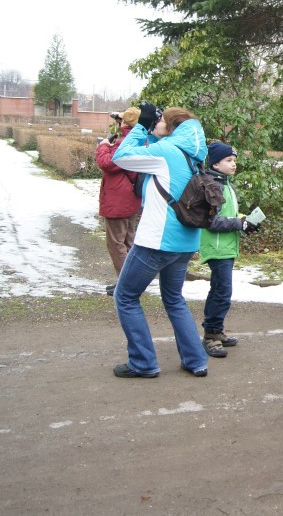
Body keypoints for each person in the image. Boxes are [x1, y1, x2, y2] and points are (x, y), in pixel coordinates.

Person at [109, 104, 209, 379]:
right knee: (174, 299)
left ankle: (143, 362)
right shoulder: (193, 155)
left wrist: (140, 125)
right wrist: (153, 134)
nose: (157, 123)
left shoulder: (165, 152)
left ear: (172, 126)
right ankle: (196, 360)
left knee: (126, 296)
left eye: (160, 120)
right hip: (186, 242)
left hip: (157, 240)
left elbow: (123, 157)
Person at [199, 140, 259, 358]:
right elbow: (212, 222)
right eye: (228, 160)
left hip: (226, 246)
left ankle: (215, 330)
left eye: (234, 160)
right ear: (215, 164)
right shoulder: (213, 186)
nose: (234, 164)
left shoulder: (225, 184)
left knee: (219, 290)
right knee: (222, 292)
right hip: (217, 247)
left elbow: (230, 216)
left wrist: (246, 222)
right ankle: (211, 337)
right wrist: (238, 224)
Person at [95, 107, 141, 296]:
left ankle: (125, 286)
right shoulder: (140, 139)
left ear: (126, 123)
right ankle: (130, 283)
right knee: (129, 241)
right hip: (131, 198)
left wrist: (104, 145)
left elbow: (107, 163)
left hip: (118, 200)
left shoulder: (125, 143)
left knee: (116, 243)